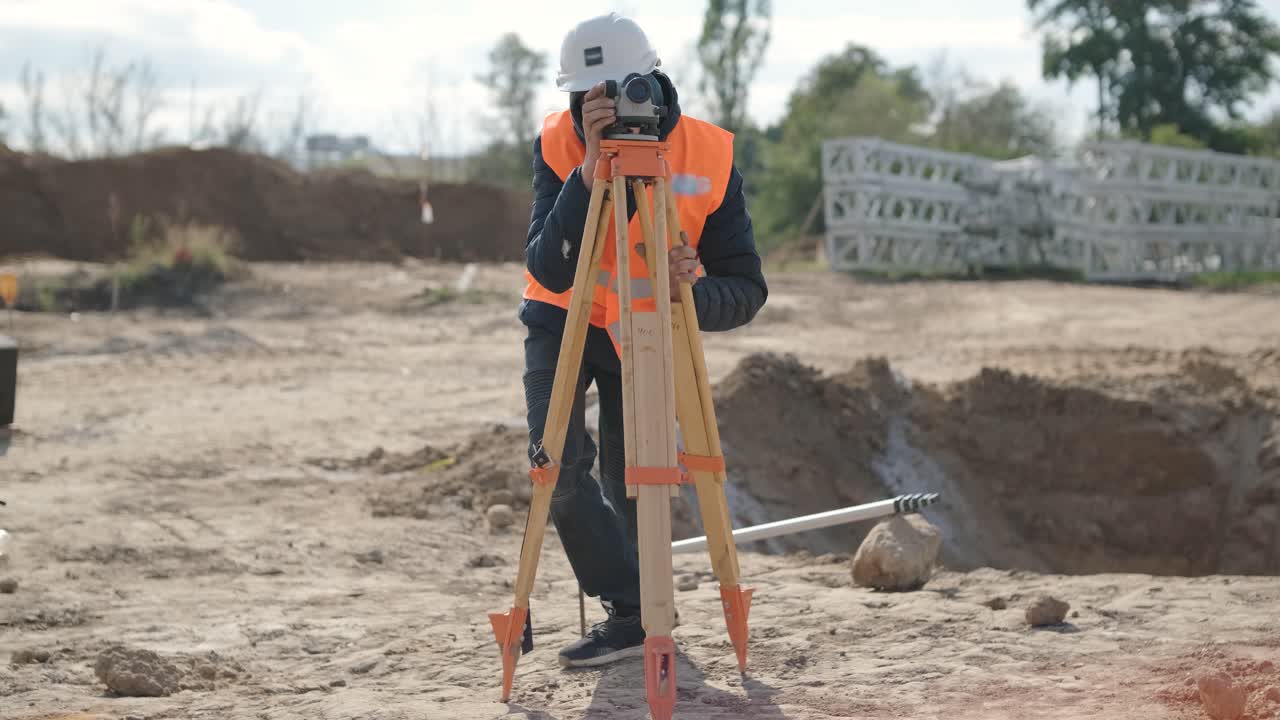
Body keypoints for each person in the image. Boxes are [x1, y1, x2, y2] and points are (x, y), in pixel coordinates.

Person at [519, 12, 767, 669]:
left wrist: (692, 287)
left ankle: (647, 610)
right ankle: (631, 608)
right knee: (558, 465)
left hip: (649, 321)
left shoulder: (709, 153)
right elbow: (548, 265)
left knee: (639, 476)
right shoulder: (558, 144)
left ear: (652, 80)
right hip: (562, 316)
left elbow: (746, 288)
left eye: (619, 89)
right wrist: (591, 170)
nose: (604, 105)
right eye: (586, 96)